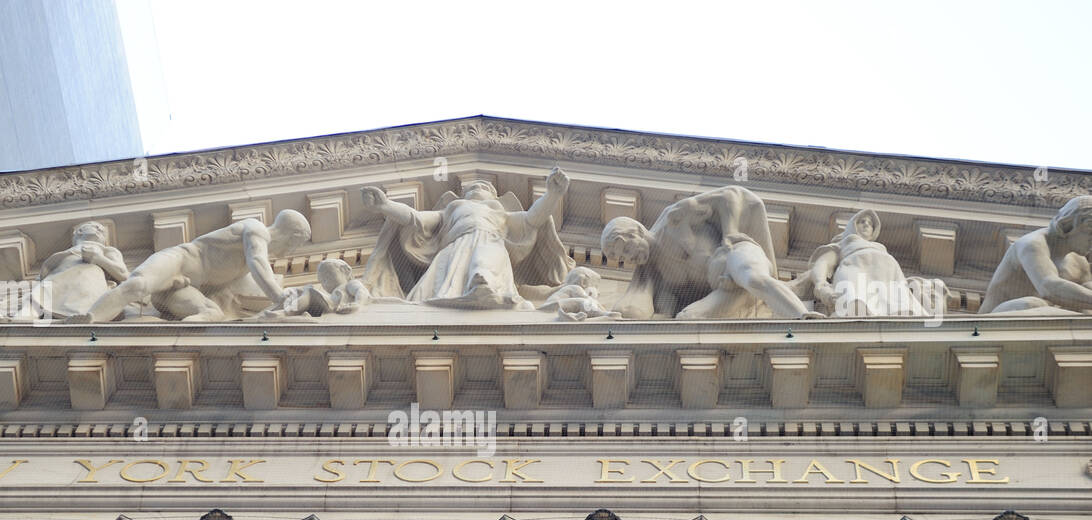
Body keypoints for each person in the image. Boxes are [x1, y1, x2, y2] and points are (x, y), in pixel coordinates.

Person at [602, 186, 821, 321]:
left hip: (733, 255)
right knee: (687, 319)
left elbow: (729, 196)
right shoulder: (656, 275)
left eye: (628, 249)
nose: (629, 259)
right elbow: (660, 313)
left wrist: (730, 232)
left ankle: (804, 316)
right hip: (727, 291)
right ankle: (801, 287)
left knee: (753, 278)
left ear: (638, 231)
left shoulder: (674, 220)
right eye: (623, 259)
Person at [360, 168, 572, 309]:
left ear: (495, 198)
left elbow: (532, 219)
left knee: (485, 260)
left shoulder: (500, 213)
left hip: (490, 241)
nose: (479, 188)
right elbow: (414, 218)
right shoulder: (452, 210)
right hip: (455, 248)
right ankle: (446, 298)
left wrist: (552, 194)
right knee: (440, 280)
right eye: (472, 188)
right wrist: (385, 206)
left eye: (486, 187)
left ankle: (483, 286)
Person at [83, 209, 311, 323]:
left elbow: (244, 297)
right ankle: (89, 320)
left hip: (180, 290)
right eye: (296, 244)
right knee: (138, 286)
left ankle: (177, 344)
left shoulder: (245, 268)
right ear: (293, 235)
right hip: (177, 262)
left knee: (212, 313)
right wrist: (279, 295)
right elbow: (258, 263)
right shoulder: (257, 230)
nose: (290, 251)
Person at [802, 209, 949, 317]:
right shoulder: (843, 244)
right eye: (861, 221)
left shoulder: (880, 249)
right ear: (852, 226)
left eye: (870, 223)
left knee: (897, 308)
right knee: (855, 306)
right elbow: (822, 264)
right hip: (855, 271)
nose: (866, 225)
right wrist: (821, 286)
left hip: (889, 277)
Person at [981, 195, 1092, 314]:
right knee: (1033, 304)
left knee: (1083, 311)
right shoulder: (1032, 243)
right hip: (996, 318)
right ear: (1067, 226)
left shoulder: (1080, 263)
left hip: (1045, 314)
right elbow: (1048, 287)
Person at [22, 220, 129, 323]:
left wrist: (98, 258)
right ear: (79, 231)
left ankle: (80, 318)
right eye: (95, 226)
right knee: (36, 296)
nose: (100, 230)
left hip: (87, 278)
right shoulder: (65, 253)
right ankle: (21, 320)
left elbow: (123, 274)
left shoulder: (107, 251)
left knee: (82, 300)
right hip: (57, 278)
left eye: (102, 230)